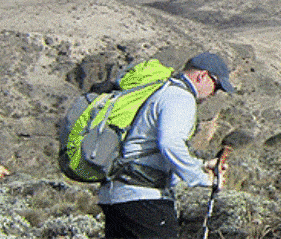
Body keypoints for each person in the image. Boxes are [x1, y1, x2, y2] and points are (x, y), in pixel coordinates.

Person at [97, 52, 234, 239]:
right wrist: (201, 178)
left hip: (116, 195)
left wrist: (201, 165)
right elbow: (169, 144)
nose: (214, 93)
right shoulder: (181, 98)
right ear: (202, 76)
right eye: (216, 86)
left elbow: (149, 146)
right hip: (144, 200)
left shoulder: (162, 91)